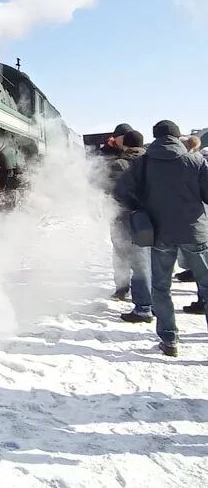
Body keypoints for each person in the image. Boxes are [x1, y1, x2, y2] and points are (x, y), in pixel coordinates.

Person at [115, 120, 208, 356]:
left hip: (160, 234)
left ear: (154, 137)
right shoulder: (195, 160)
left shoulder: (144, 162)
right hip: (195, 232)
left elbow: (120, 191)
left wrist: (140, 207)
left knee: (161, 288)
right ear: (178, 137)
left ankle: (169, 340)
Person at [106, 130, 151, 321]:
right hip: (150, 217)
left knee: (124, 254)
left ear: (125, 144)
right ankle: (150, 302)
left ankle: (140, 305)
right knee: (145, 257)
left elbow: (111, 191)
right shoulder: (154, 163)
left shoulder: (118, 164)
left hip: (124, 216)